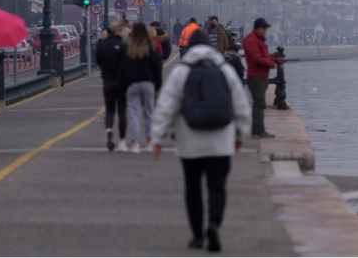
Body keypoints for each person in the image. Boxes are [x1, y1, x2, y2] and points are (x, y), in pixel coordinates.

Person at [151, 30, 251, 252]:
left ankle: (197, 235)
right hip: (221, 141)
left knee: (193, 189)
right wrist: (240, 135)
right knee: (217, 187)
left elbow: (166, 107)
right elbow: (241, 106)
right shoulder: (225, 70)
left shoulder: (180, 72)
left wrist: (157, 138)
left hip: (189, 142)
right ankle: (214, 224)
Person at [118, 22, 163, 154]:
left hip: (132, 84)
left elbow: (122, 69)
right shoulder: (151, 46)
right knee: (149, 113)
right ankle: (149, 142)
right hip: (148, 83)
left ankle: (135, 143)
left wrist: (123, 87)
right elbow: (157, 68)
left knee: (134, 113)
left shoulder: (129, 48)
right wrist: (158, 86)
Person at [242, 18, 282, 139]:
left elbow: (263, 56)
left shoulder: (258, 40)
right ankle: (258, 130)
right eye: (264, 28)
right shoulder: (251, 40)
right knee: (259, 103)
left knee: (259, 103)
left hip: (262, 76)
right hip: (256, 77)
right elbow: (256, 59)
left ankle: (258, 130)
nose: (265, 31)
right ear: (258, 28)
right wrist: (272, 64)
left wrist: (275, 60)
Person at [96, 20, 129, 152]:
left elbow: (98, 60)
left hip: (107, 81)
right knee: (122, 111)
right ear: (118, 31)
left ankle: (109, 130)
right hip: (121, 82)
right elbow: (127, 64)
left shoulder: (103, 45)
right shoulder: (123, 46)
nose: (126, 33)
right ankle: (122, 141)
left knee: (109, 110)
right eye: (125, 30)